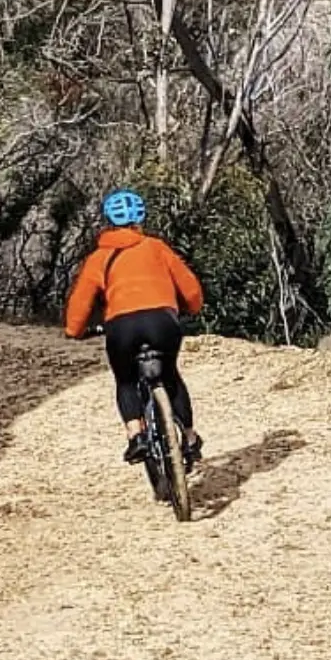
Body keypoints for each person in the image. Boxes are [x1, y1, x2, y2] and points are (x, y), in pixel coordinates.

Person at [64, 188, 205, 468]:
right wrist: (191, 308)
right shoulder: (156, 247)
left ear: (108, 222)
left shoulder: (99, 258)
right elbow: (190, 288)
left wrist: (75, 330)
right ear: (140, 220)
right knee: (170, 376)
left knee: (126, 380)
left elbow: (81, 301)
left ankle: (136, 435)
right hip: (162, 322)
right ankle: (189, 439)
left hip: (121, 326)